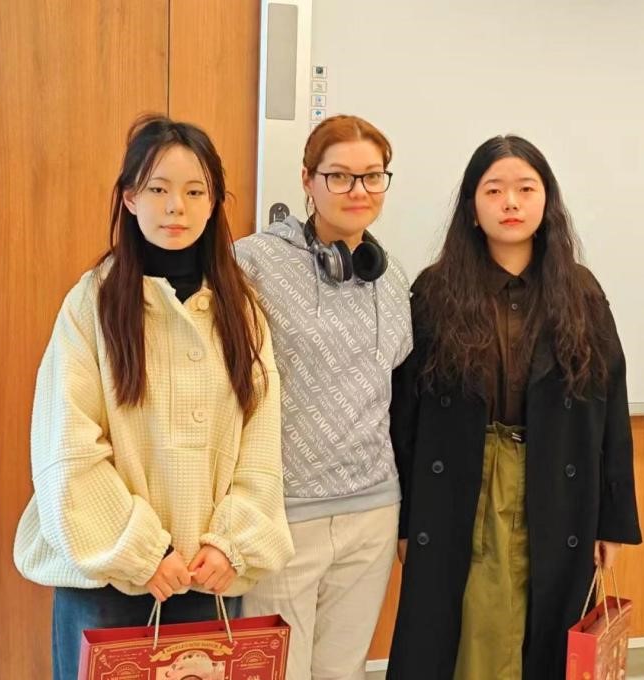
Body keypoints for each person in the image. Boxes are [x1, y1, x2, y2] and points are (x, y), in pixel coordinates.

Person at [13, 115, 293, 680]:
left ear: (214, 203)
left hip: (208, 577)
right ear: (130, 198)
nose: (176, 208)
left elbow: (261, 450)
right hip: (110, 579)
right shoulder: (92, 304)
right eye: (158, 189)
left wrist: (229, 544)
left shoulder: (241, 312)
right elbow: (67, 448)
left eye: (195, 192)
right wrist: (143, 554)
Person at [387, 135, 642, 680]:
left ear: (547, 201)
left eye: (526, 189)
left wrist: (613, 520)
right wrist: (405, 520)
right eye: (494, 190)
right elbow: (404, 418)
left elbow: (611, 411)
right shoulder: (435, 292)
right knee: (468, 635)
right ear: (471, 207)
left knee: (543, 635)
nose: (510, 202)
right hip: (461, 490)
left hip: (556, 487)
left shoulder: (581, 293)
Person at [235, 114, 412, 680]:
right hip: (283, 514)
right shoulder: (251, 263)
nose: (358, 190)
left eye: (372, 176)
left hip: (372, 508)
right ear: (308, 179)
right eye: (339, 176)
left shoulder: (391, 277)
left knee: (343, 671)